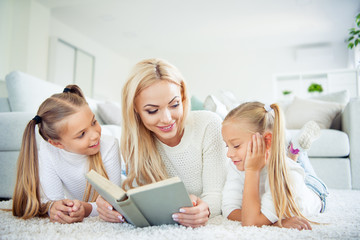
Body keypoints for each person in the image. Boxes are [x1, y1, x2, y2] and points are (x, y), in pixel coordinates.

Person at [96, 58, 227, 228]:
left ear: (183, 97)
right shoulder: (136, 142)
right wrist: (109, 203)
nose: (166, 119)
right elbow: (139, 194)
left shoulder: (209, 124)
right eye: (152, 110)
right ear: (135, 110)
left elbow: (217, 194)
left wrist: (205, 210)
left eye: (174, 105)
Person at [12, 85, 122, 224]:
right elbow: (53, 199)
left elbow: (113, 202)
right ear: (57, 144)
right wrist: (54, 208)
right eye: (82, 134)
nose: (95, 135)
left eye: (94, 122)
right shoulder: (48, 150)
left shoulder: (109, 145)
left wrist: (86, 209)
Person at [221, 102, 328, 230]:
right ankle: (293, 150)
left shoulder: (288, 174)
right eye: (227, 146)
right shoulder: (237, 163)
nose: (229, 154)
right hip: (278, 163)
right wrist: (269, 221)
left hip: (314, 190)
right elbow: (229, 209)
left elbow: (251, 222)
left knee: (292, 165)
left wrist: (252, 170)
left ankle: (296, 151)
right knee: (285, 160)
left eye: (236, 145)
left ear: (267, 140)